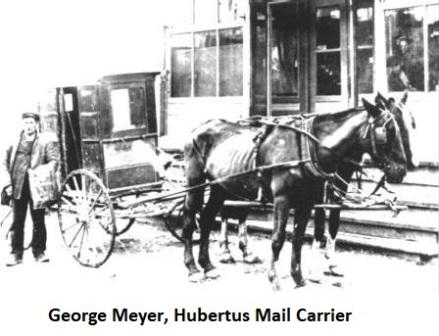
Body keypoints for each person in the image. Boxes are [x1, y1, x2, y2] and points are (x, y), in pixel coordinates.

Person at [0, 112, 58, 266]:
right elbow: (3, 163)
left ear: (36, 124)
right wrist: (7, 185)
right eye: (26, 122)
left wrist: (41, 172)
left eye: (32, 122)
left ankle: (39, 252)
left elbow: (54, 162)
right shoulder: (14, 141)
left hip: (37, 188)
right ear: (22, 124)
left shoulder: (44, 142)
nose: (29, 126)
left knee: (38, 220)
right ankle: (16, 254)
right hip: (18, 186)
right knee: (18, 221)